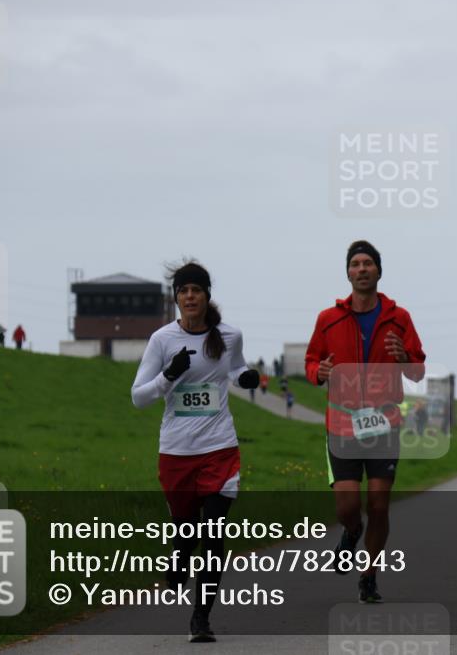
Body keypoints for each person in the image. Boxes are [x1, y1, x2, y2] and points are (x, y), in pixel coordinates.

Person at [130, 261, 259, 643]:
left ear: (206, 296)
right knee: (187, 533)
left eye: (196, 290)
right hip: (176, 452)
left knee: (214, 534)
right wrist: (169, 375)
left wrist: (245, 377)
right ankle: (179, 558)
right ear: (176, 298)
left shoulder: (230, 335)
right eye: (183, 291)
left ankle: (200, 618)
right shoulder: (162, 340)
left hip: (219, 447)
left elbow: (234, 368)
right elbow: (138, 398)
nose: (190, 296)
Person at [305, 240, 425, 604]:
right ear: (348, 273)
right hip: (341, 424)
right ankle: (350, 533)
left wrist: (404, 356)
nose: (361, 269)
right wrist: (319, 372)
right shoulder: (328, 318)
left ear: (378, 271)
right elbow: (311, 362)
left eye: (367, 263)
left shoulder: (399, 317)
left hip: (384, 423)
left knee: (379, 504)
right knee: (347, 509)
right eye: (355, 264)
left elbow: (417, 371)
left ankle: (369, 575)